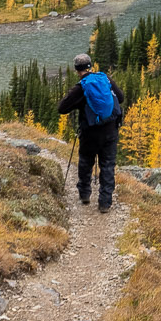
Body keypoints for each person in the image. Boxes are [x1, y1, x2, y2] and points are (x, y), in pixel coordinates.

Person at [56, 51, 124, 212]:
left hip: (90, 133)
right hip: (110, 131)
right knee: (107, 165)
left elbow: (62, 108)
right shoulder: (105, 79)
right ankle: (105, 203)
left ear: (76, 69)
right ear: (90, 66)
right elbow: (120, 98)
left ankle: (85, 194)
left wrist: (78, 104)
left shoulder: (81, 87)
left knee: (86, 162)